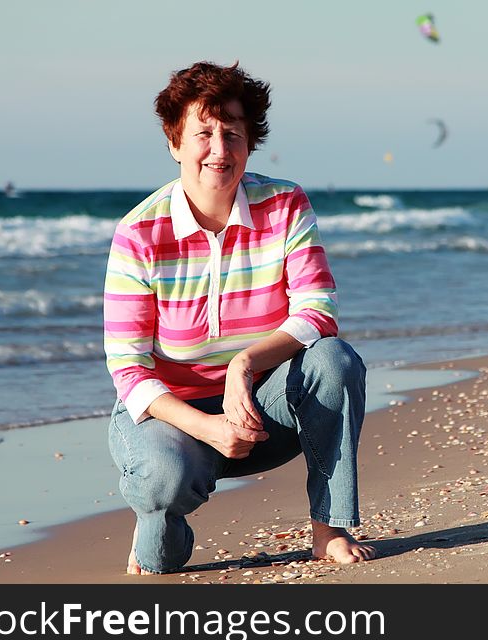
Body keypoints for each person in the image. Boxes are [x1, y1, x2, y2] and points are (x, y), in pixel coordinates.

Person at [103, 61, 375, 575]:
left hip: (263, 413)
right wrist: (205, 426)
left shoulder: (284, 204)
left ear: (251, 142)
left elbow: (318, 312)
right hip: (173, 419)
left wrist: (244, 365)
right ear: (174, 143)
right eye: (202, 133)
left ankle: (330, 528)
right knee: (162, 535)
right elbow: (128, 370)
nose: (219, 149)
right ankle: (157, 515)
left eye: (233, 133)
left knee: (335, 361)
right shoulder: (139, 233)